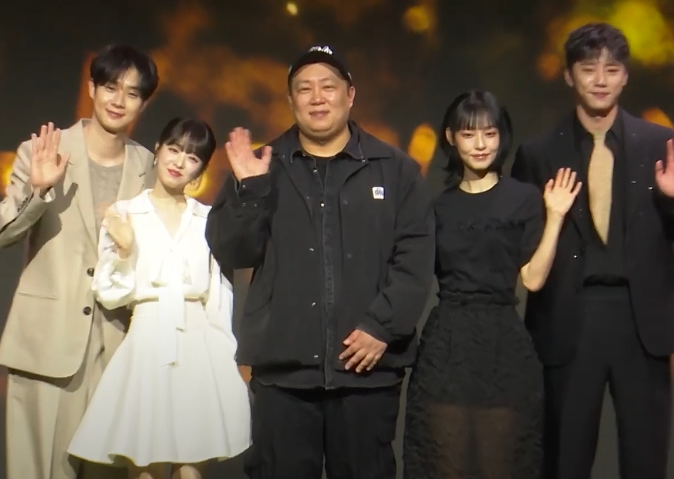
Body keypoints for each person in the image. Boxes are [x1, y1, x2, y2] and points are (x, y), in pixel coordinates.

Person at [205, 45, 435, 479]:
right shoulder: (261, 166)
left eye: (328, 87)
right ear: (291, 100)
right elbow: (232, 252)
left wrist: (382, 326)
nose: (317, 98)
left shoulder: (395, 169)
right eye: (304, 89)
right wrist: (250, 190)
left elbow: (415, 257)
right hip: (284, 376)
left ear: (350, 94)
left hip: (366, 371)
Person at [511, 22, 674, 479]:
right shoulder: (538, 153)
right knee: (564, 460)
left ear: (625, 77)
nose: (600, 80)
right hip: (568, 319)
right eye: (588, 69)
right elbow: (521, 246)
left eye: (612, 70)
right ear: (568, 75)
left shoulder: (658, 143)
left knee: (646, 459)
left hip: (643, 319)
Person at [402, 90, 581, 479]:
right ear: (451, 138)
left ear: (503, 136)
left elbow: (533, 278)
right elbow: (411, 272)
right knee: (444, 463)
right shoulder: (438, 207)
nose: (480, 144)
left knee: (502, 464)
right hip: (447, 347)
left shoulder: (524, 199)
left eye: (490, 133)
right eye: (469, 134)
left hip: (503, 347)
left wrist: (555, 217)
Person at [0, 44, 159, 479]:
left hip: (117, 351)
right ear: (91, 88)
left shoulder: (148, 165)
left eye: (132, 93)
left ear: (144, 103)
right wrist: (39, 191)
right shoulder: (42, 151)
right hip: (47, 345)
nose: (118, 100)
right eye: (110, 87)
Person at [67, 117, 252, 479]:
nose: (179, 161)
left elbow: (219, 296)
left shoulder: (208, 220)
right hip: (148, 341)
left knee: (191, 466)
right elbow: (110, 293)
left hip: (200, 345)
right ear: (157, 149)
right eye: (174, 149)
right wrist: (124, 250)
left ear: (201, 169)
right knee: (145, 465)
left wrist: (224, 354)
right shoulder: (125, 213)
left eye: (192, 157)